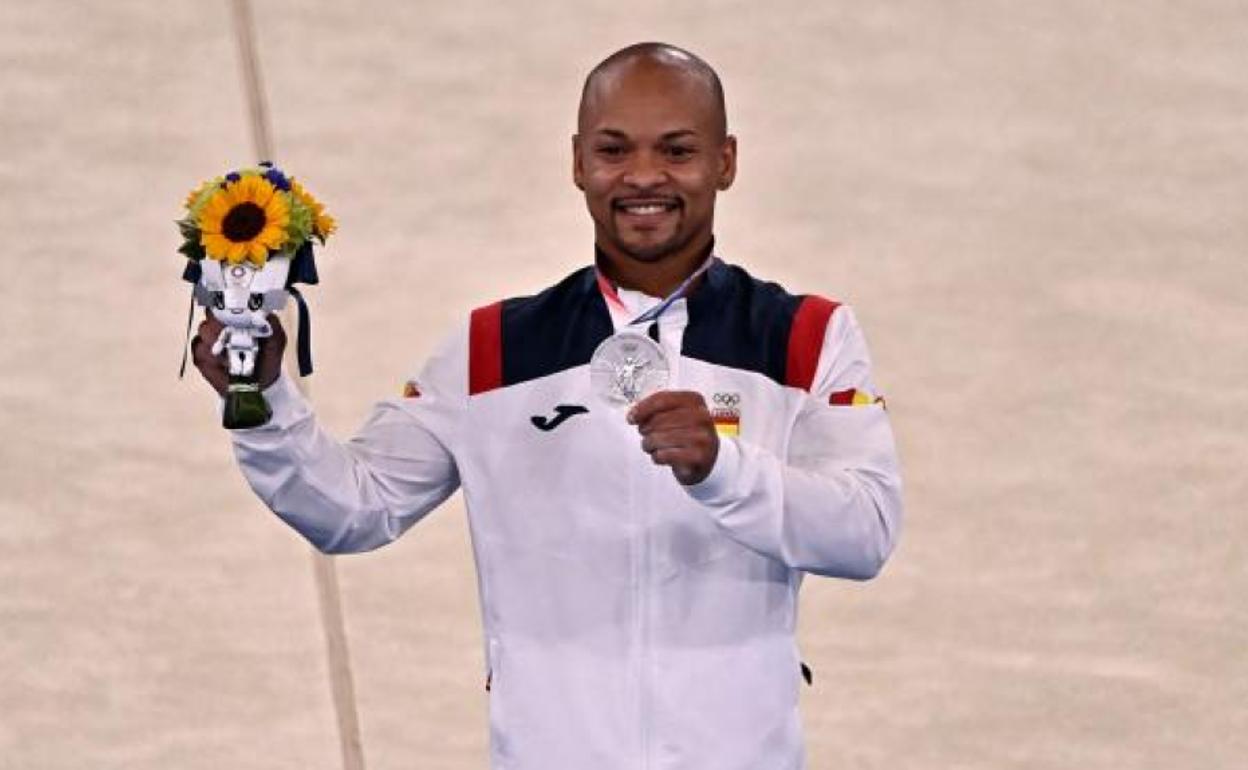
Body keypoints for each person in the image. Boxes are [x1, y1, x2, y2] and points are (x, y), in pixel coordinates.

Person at [192, 41, 903, 770]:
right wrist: (267, 400)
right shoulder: (492, 348)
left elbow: (865, 531)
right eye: (614, 149)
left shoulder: (806, 336)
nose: (645, 176)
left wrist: (726, 470)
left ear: (726, 161)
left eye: (677, 150)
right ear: (577, 162)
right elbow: (353, 508)